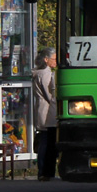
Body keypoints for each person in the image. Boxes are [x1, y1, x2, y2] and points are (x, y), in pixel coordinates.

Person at [33, 47, 58, 180]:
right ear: (46, 60)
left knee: (44, 141)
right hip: (47, 111)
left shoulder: (38, 73)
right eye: (53, 59)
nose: (56, 61)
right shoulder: (46, 73)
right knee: (46, 142)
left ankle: (42, 170)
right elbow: (50, 95)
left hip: (42, 109)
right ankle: (43, 171)